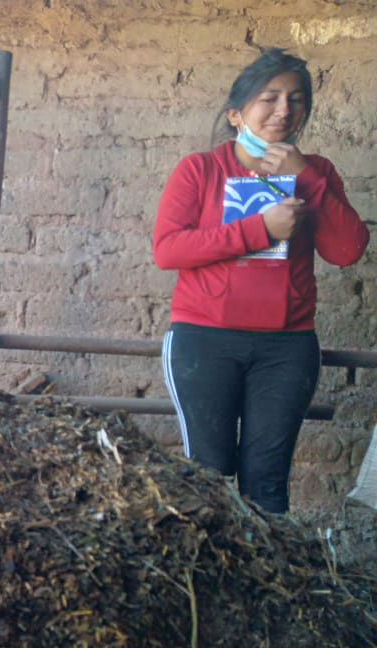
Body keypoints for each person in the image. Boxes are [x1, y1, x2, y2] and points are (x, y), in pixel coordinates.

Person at [153, 47, 370, 514]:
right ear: (236, 114)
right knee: (205, 476)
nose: (283, 110)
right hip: (204, 341)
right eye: (268, 98)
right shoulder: (200, 170)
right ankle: (212, 584)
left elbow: (347, 250)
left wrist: (306, 179)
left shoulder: (319, 173)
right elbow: (168, 249)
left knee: (266, 484)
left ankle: (264, 586)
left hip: (285, 348)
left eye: (295, 100)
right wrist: (261, 230)